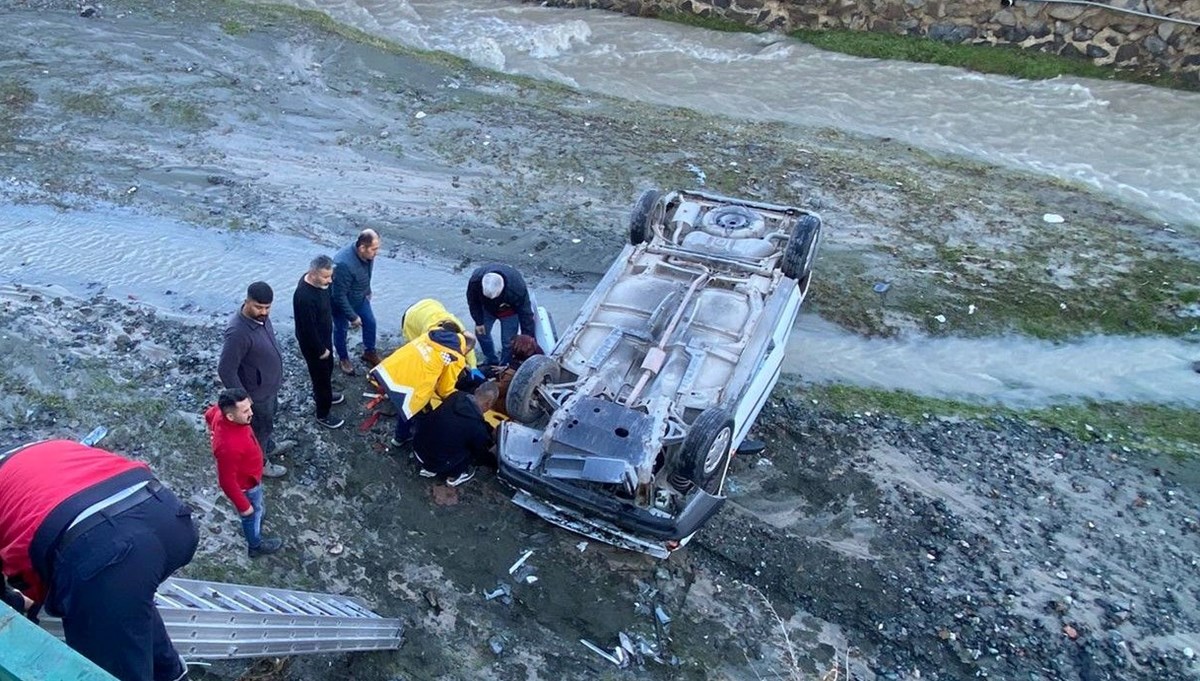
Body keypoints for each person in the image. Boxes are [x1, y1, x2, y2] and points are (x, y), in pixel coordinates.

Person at [0, 440, 198, 681]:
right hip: (168, 516)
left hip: (104, 548)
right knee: (125, 605)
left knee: (109, 671)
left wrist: (11, 600)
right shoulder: (32, 450)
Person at [218, 281, 289, 476]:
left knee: (268, 422)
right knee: (260, 429)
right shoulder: (237, 333)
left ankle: (268, 446)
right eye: (259, 307)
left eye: (267, 307)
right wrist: (243, 400)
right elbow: (225, 369)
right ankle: (260, 463)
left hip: (269, 387)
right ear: (246, 302)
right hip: (255, 395)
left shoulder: (262, 318)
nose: (264, 312)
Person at [204, 389, 284, 558]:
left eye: (250, 407)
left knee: (257, 507)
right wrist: (244, 506)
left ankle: (258, 513)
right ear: (231, 416)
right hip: (247, 485)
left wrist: (211, 432)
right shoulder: (228, 447)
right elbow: (226, 481)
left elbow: (209, 414)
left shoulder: (221, 413)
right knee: (251, 515)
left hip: (252, 475)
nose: (251, 413)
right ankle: (255, 545)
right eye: (246, 411)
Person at [369, 321, 473, 448]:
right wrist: (458, 398)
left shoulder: (428, 336)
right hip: (408, 386)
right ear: (466, 348)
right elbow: (444, 389)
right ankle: (401, 439)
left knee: (405, 403)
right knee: (416, 410)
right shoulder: (455, 357)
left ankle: (399, 432)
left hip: (388, 371)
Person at [292, 255, 345, 429]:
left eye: (331, 276)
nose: (330, 281)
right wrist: (320, 349)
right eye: (325, 277)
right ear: (312, 273)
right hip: (314, 345)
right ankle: (323, 414)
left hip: (324, 337)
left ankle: (325, 395)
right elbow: (306, 329)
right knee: (321, 376)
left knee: (328, 369)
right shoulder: (304, 296)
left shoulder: (322, 284)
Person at [412, 382, 498, 487]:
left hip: (417, 445)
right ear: (489, 404)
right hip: (432, 463)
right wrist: (494, 459)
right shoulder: (478, 429)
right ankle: (455, 475)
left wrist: (489, 429)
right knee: (471, 452)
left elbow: (471, 418)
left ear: (476, 391)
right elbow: (480, 456)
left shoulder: (456, 396)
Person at [466, 263, 537, 368]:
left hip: (509, 312)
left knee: (508, 342)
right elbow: (473, 301)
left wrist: (526, 338)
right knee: (481, 334)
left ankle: (504, 365)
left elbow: (525, 313)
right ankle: (491, 360)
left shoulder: (517, 287)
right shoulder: (475, 280)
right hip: (486, 309)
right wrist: (478, 321)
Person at [331, 229, 382, 375]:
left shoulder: (368, 255)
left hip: (360, 296)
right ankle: (343, 358)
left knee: (370, 322)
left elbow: (366, 274)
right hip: (340, 303)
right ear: (362, 248)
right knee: (341, 329)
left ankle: (369, 352)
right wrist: (352, 316)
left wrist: (368, 290)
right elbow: (338, 295)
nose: (376, 253)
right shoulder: (343, 264)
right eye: (374, 249)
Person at [493, 334, 545, 417]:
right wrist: (507, 368)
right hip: (533, 394)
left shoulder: (513, 372)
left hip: (519, 403)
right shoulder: (539, 357)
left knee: (493, 401)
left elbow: (500, 390)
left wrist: (488, 385)